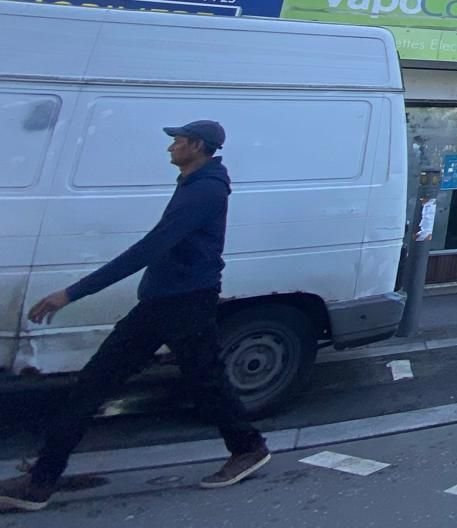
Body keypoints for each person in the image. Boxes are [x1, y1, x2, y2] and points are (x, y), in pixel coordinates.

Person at [0, 121, 271, 512]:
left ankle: (41, 480)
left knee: (195, 383)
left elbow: (149, 248)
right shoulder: (195, 184)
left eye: (177, 142)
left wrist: (73, 293)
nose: (170, 149)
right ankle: (43, 476)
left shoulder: (205, 191)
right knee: (102, 382)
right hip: (165, 302)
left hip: (184, 304)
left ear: (197, 146)